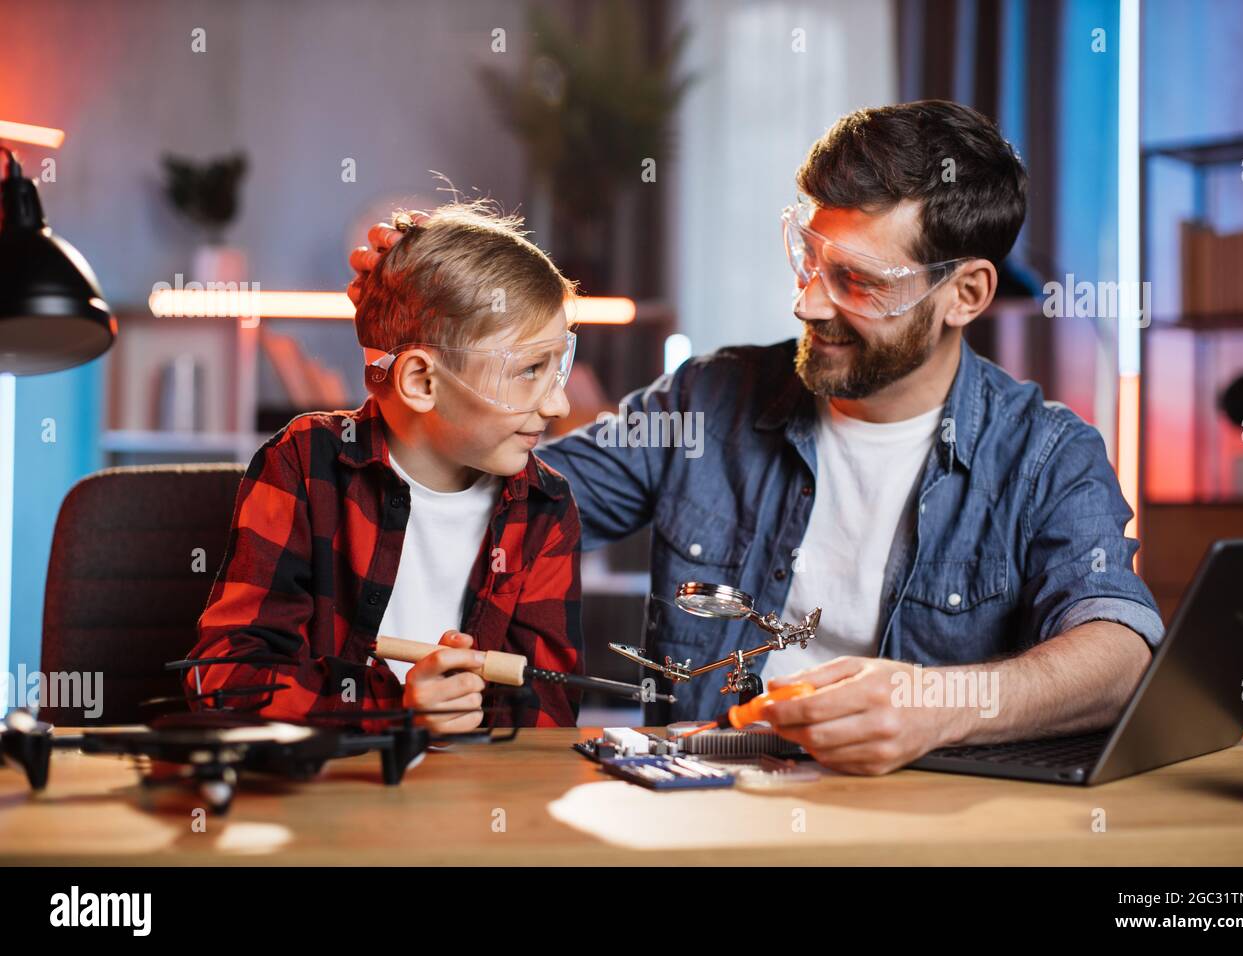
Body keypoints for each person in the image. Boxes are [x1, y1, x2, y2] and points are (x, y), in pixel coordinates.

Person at [349, 100, 1163, 775]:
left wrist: (936, 704)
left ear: (967, 293)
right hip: (699, 815)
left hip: (920, 831)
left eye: (858, 281)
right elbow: (496, 511)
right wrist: (413, 343)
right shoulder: (708, 399)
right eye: (809, 259)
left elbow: (1121, 653)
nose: (809, 303)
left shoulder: (1048, 455)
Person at [190, 201, 584, 732]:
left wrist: (463, 716)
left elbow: (547, 717)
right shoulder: (306, 464)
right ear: (421, 382)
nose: (558, 406)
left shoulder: (544, 503)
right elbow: (226, 683)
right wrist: (394, 709)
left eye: (556, 366)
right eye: (530, 370)